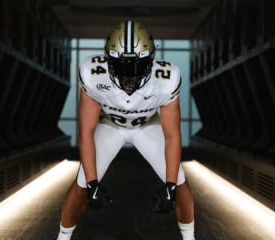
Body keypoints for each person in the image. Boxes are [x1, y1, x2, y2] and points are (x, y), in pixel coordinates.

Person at [57, 21, 195, 240]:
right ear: (108, 60)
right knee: (83, 181)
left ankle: (189, 238)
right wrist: (93, 183)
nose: (129, 77)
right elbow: (86, 131)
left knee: (178, 180)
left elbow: (171, 135)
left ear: (151, 61)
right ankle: (63, 237)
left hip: (147, 125)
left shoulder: (167, 78)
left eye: (137, 67)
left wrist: (169, 185)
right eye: (122, 67)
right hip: (110, 125)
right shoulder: (92, 73)